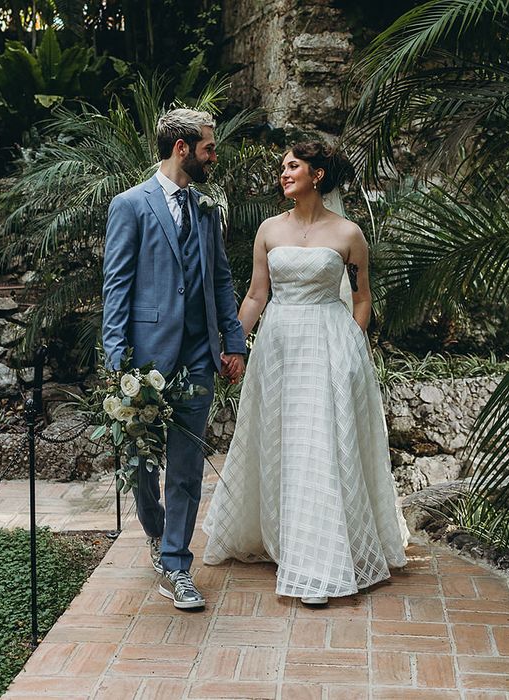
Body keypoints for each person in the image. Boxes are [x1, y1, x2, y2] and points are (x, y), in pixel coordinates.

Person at [203, 141, 407, 605]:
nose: (284, 173)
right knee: (280, 439)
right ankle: (283, 538)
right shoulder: (269, 230)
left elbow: (362, 299)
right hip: (278, 348)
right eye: (282, 167)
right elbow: (256, 296)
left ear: (317, 175)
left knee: (319, 443)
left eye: (293, 166)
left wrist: (353, 345)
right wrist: (232, 346)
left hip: (329, 347)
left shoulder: (349, 234)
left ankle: (318, 563)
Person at [102, 108, 246, 610]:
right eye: (208, 145)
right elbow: (117, 282)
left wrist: (234, 342)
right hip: (145, 357)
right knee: (142, 463)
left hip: (198, 356)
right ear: (182, 147)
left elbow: (222, 279)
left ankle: (176, 563)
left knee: (186, 464)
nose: (214, 154)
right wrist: (117, 355)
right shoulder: (130, 205)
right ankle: (154, 530)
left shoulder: (207, 209)